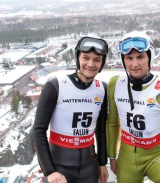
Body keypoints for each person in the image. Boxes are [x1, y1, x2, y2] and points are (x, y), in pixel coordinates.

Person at [106, 31, 160, 183]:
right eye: (129, 58)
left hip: (156, 155)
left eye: (140, 57)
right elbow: (112, 123)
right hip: (127, 158)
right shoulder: (115, 84)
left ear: (150, 57)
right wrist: (112, 157)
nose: (134, 64)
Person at [33, 36, 109, 183]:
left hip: (89, 169)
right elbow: (38, 130)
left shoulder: (102, 89)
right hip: (59, 170)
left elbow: (101, 129)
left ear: (102, 63)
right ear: (77, 58)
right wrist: (50, 171)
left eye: (97, 60)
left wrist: (102, 163)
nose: (91, 64)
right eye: (86, 58)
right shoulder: (56, 86)